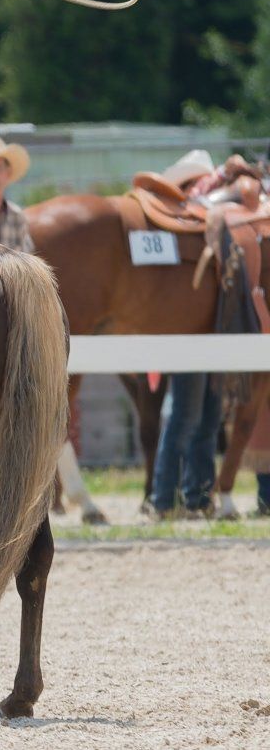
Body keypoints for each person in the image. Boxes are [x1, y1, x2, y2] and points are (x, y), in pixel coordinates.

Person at [147, 150, 223, 519]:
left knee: (205, 415)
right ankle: (167, 498)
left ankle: (194, 496)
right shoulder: (174, 230)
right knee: (188, 413)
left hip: (205, 329)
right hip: (190, 330)